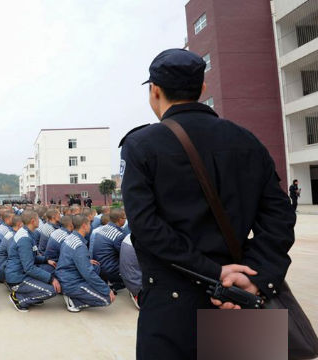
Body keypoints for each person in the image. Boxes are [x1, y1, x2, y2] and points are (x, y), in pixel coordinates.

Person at [120, 48, 295, 359]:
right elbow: (280, 216)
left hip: (172, 305)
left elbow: (147, 228)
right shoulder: (247, 140)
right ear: (202, 89)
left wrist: (213, 272)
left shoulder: (141, 146)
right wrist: (256, 278)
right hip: (239, 298)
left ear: (154, 91)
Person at [55, 215, 115, 312]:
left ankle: (76, 293)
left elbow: (69, 257)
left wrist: (85, 260)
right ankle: (73, 301)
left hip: (65, 275)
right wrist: (106, 289)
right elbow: (88, 273)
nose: (90, 226)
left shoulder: (70, 237)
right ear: (84, 226)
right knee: (107, 299)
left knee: (96, 266)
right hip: (71, 282)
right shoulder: (79, 246)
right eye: (89, 224)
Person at [5, 210, 61, 312]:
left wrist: (46, 260)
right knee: (52, 291)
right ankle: (19, 299)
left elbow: (30, 257)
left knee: (50, 268)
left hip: (22, 271)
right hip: (17, 278)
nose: (39, 221)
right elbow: (29, 268)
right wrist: (51, 279)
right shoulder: (24, 238)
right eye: (37, 219)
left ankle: (33, 293)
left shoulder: (27, 232)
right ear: (33, 221)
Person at [89, 208, 127, 291]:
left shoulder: (102, 229)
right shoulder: (118, 234)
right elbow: (125, 255)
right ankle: (114, 284)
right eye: (125, 218)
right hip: (110, 270)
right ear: (120, 220)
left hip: (98, 267)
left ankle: (110, 282)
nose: (126, 220)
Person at [119, 234, 142, 309]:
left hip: (127, 278)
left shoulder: (128, 236)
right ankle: (137, 296)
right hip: (137, 285)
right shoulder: (144, 240)